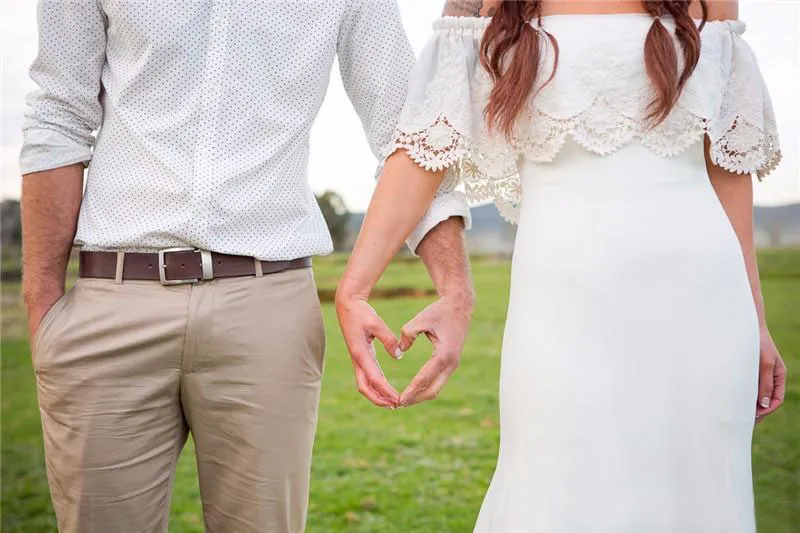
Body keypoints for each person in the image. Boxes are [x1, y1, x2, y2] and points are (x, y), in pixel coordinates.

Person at [19, 1, 474, 531]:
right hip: (110, 303)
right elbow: (58, 115)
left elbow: (410, 127)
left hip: (267, 306)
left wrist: (454, 286)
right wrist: (43, 306)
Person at [336, 0, 788, 530]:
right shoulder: (481, 5)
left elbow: (728, 167)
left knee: (696, 499)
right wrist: (355, 287)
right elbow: (423, 148)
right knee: (553, 492)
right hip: (560, 303)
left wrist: (755, 319)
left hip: (703, 304)